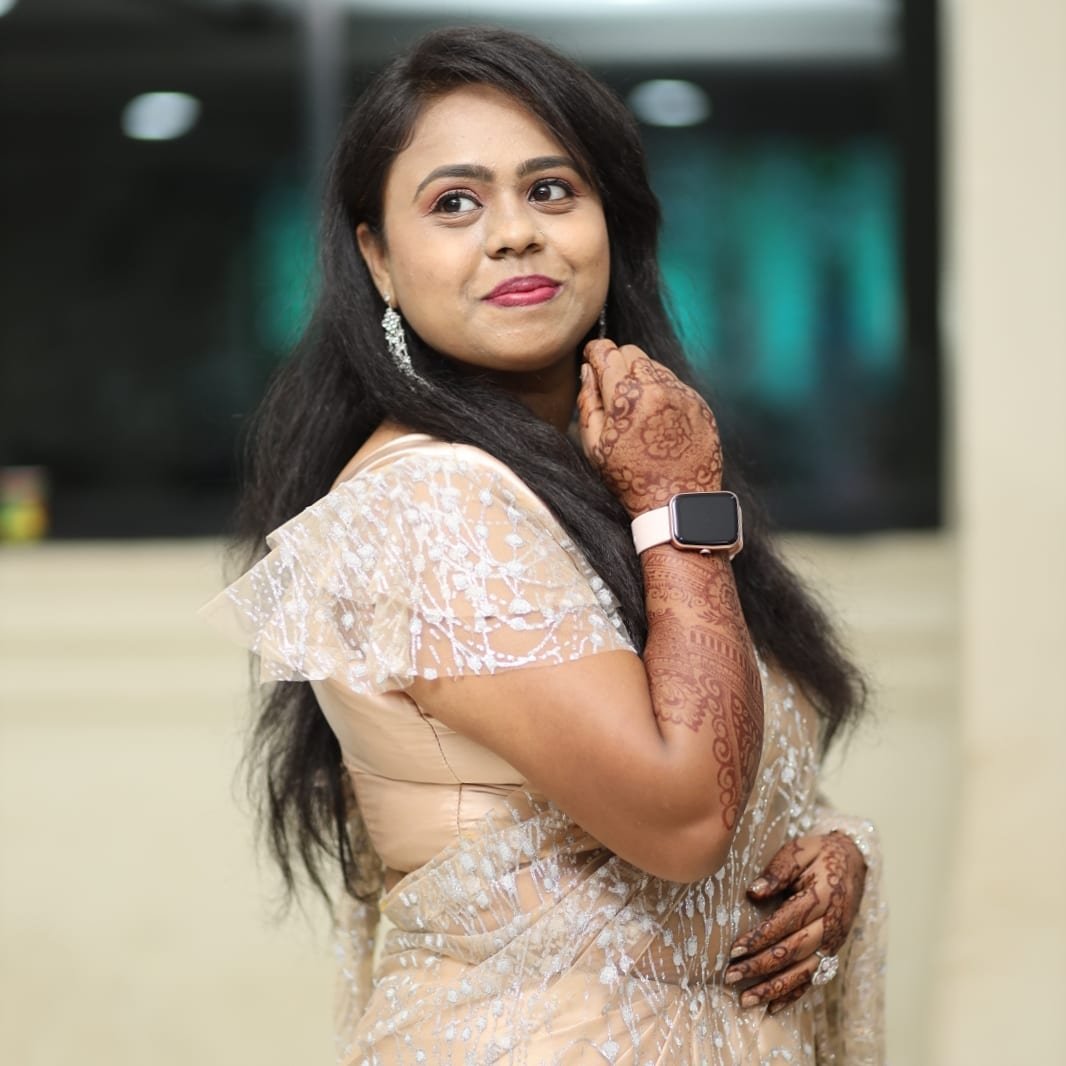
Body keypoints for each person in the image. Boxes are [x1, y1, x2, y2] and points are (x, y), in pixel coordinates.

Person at [202, 26, 885, 1065]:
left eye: (552, 190)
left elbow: (746, 771)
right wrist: (681, 507)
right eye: (455, 203)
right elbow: (683, 815)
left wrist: (830, 854)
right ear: (378, 258)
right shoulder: (431, 504)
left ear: (610, 222)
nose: (515, 233)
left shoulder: (610, 467)